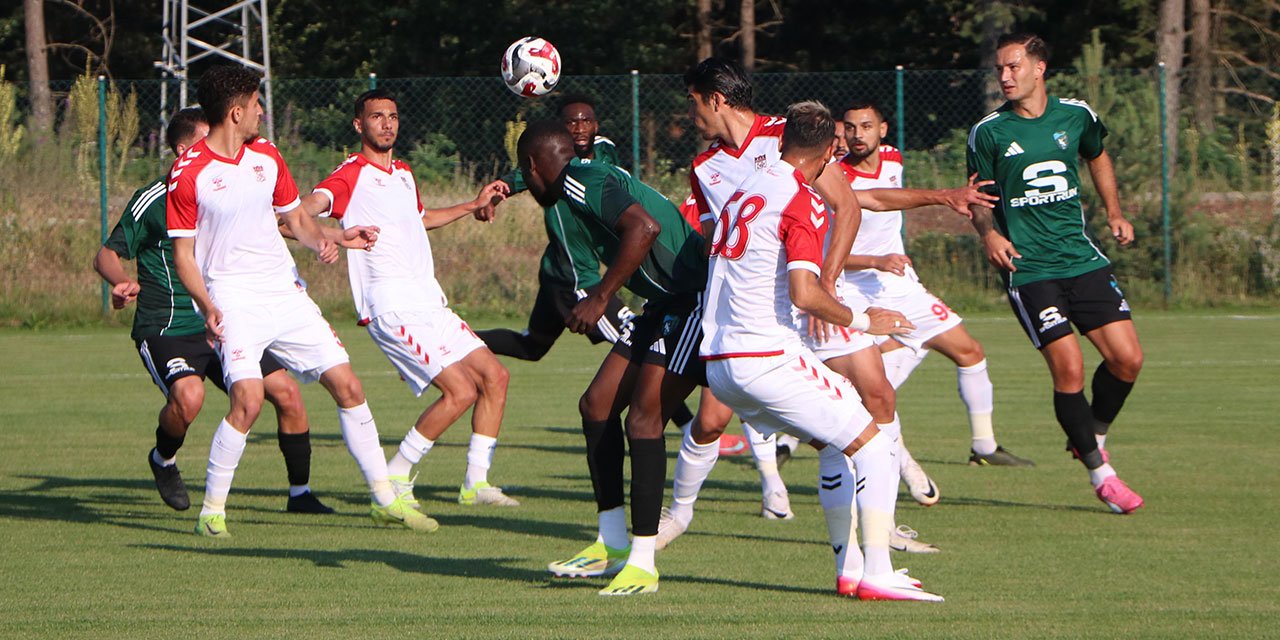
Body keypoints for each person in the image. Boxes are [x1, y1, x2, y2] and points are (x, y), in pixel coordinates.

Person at [659, 57, 994, 551]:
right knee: (711, 419)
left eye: (692, 102)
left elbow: (850, 204)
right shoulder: (704, 167)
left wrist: (829, 283)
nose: (691, 116)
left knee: (876, 396)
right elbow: (716, 240)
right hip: (753, 317)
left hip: (813, 296)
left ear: (715, 98)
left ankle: (882, 527)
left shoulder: (788, 136)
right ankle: (678, 515)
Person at [167, 64, 435, 537]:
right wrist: (207, 304)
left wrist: (325, 242)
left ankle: (384, 500)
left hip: (284, 292)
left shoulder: (267, 155)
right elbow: (184, 255)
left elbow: (295, 218)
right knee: (247, 401)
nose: (261, 112)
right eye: (254, 104)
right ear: (235, 112)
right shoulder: (190, 173)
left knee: (348, 385)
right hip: (233, 299)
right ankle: (212, 512)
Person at [701, 100, 941, 601]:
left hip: (719, 362)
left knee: (839, 445)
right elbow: (805, 295)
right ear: (831, 149)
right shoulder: (801, 199)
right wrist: (864, 320)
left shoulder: (748, 184)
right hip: (764, 357)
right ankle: (878, 570)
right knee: (874, 444)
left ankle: (850, 569)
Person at [94, 107, 332, 515]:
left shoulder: (227, 187)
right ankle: (163, 459)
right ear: (184, 149)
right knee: (190, 397)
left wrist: (338, 238)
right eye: (210, 138)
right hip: (170, 327)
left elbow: (279, 225)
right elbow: (108, 254)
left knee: (287, 393)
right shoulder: (154, 199)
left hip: (229, 322)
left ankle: (300, 495)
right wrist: (120, 281)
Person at [512, 119, 705, 596]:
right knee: (596, 405)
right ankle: (613, 544)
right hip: (664, 305)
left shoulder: (586, 180)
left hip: (699, 300)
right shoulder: (566, 197)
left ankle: (642, 564)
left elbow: (645, 226)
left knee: (643, 421)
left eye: (523, 172)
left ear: (533, 166)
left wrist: (601, 295)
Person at [302, 89, 518, 509]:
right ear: (358, 125)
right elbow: (298, 216)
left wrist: (472, 205)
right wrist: (329, 238)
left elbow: (422, 220)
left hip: (429, 302)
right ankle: (397, 475)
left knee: (495, 377)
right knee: (459, 392)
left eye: (393, 116)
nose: (387, 123)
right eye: (377, 116)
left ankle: (475, 483)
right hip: (391, 306)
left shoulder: (403, 172)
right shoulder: (348, 175)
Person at [965, 33, 1144, 514]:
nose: (1005, 76)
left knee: (1127, 359)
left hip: (1081, 260)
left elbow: (1097, 154)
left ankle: (1092, 434)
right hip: (1029, 271)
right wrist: (989, 235)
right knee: (1070, 368)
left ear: (1039, 67)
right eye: (999, 69)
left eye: (1014, 66)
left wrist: (1114, 212)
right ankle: (1100, 475)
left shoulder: (1076, 115)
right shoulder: (989, 132)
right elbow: (976, 200)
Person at [836, 98, 1034, 504]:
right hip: (857, 289)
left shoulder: (892, 158)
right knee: (869, 389)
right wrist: (877, 257)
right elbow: (848, 234)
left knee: (969, 351)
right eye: (851, 128)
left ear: (883, 130)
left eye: (866, 126)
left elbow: (897, 196)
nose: (858, 135)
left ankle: (984, 445)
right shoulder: (836, 179)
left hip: (902, 285)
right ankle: (870, 451)